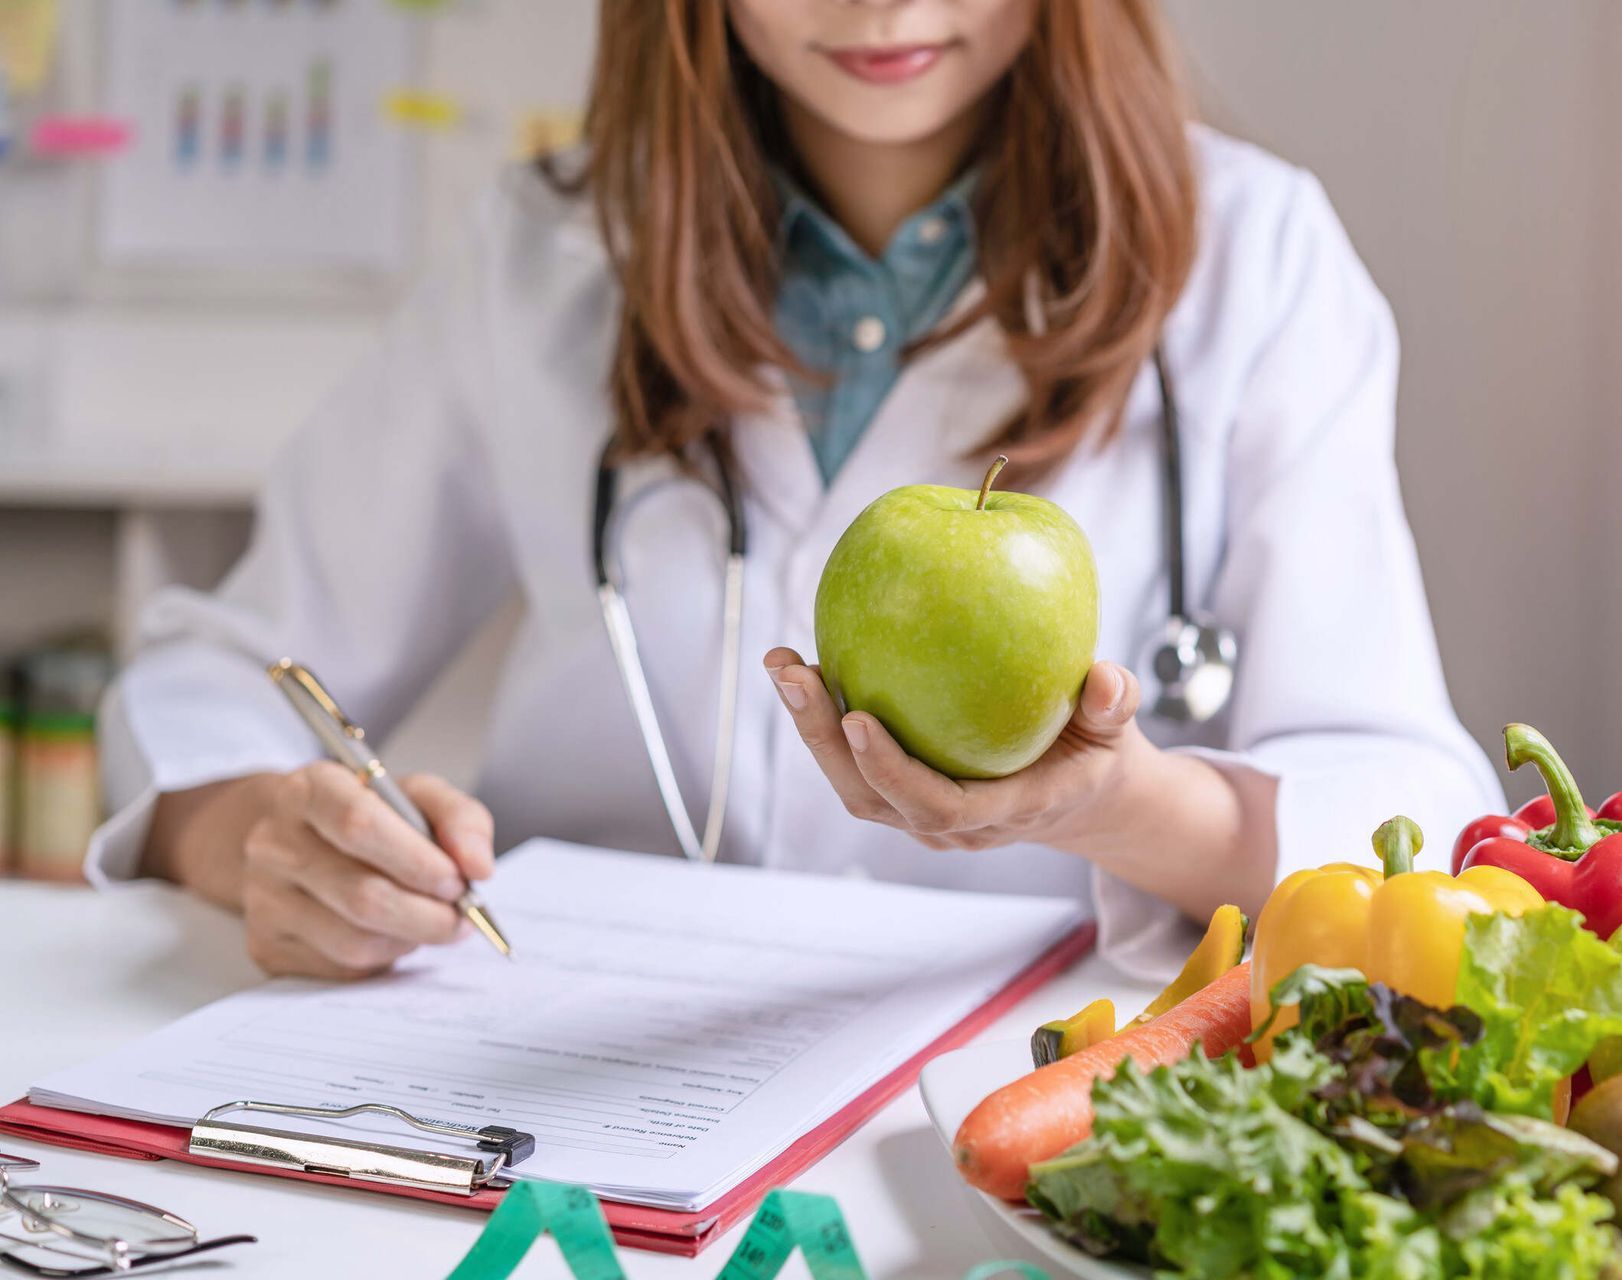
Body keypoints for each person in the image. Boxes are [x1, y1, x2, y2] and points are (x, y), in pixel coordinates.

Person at [92, 0, 1500, 980]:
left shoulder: (1255, 258)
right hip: (581, 1083)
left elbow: (1410, 802)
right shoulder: (548, 256)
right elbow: (225, 673)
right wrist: (254, 834)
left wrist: (1099, 807)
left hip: (1023, 1110)